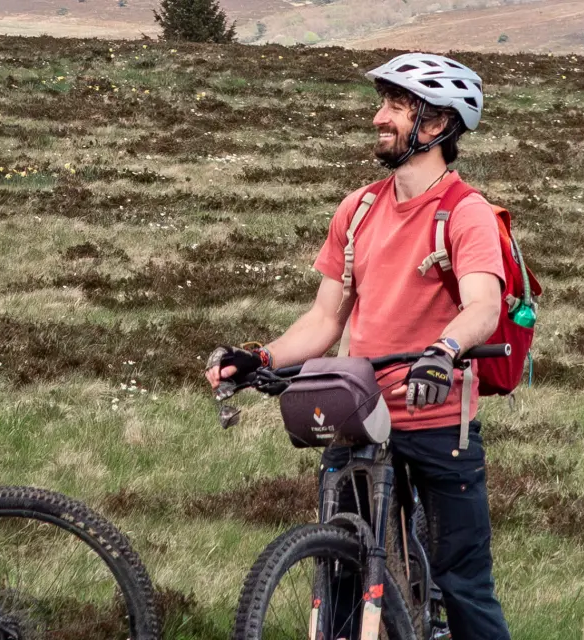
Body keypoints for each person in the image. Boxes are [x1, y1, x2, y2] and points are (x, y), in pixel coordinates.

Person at [205, 53, 512, 639]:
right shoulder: (359, 207)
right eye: (384, 103)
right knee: (343, 573)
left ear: (438, 123)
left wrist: (443, 351)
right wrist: (261, 357)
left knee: (463, 583)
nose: (379, 117)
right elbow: (324, 318)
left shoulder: (464, 214)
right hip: (359, 414)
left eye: (398, 106)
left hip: (439, 420)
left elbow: (482, 307)